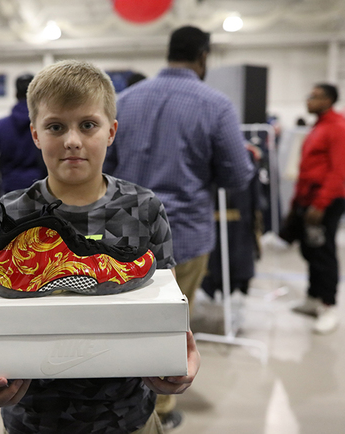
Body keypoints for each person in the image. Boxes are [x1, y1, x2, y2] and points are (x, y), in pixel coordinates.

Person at [0, 60, 200, 434]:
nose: (72, 140)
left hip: (131, 420)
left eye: (88, 125)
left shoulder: (144, 208)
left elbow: (166, 309)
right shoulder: (6, 216)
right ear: (35, 134)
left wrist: (179, 364)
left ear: (111, 131)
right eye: (56, 127)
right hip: (31, 423)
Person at [103, 26, 254, 429]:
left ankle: (121, 402)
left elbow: (104, 168)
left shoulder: (125, 101)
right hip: (185, 234)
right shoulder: (216, 105)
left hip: (123, 234)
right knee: (171, 326)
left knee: (124, 321)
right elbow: (238, 175)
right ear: (203, 57)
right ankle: (160, 410)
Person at [289, 83, 345, 334]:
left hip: (325, 202)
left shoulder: (338, 128)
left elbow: (338, 172)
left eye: (314, 97)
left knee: (324, 254)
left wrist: (320, 204)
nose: (308, 100)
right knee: (310, 251)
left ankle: (329, 306)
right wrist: (297, 202)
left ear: (328, 100)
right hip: (309, 199)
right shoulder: (319, 127)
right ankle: (313, 298)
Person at [0, 74, 47, 194]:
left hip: (9, 191)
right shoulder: (49, 126)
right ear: (37, 95)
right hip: (41, 190)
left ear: (15, 94)